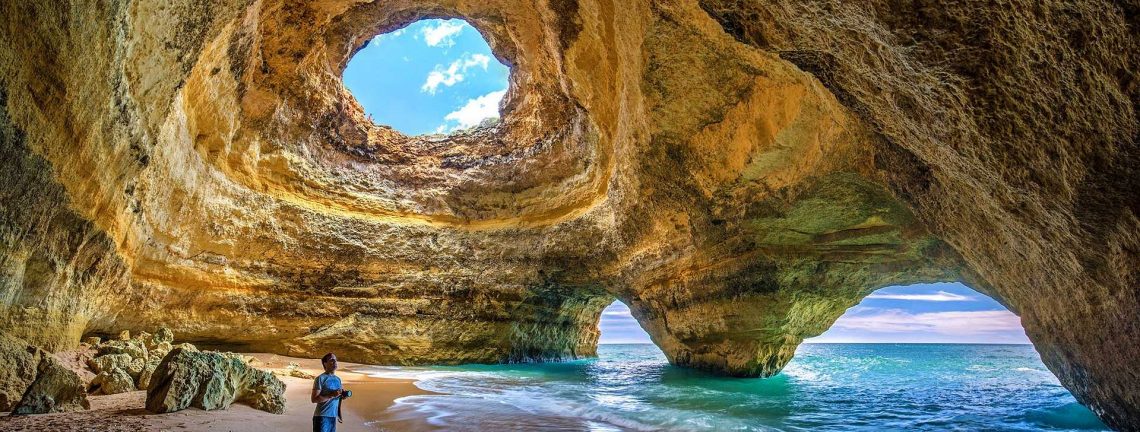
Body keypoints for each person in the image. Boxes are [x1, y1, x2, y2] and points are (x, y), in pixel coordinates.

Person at [312, 353, 345, 432]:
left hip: (333, 416)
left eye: (335, 360)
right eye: (331, 360)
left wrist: (342, 396)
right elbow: (314, 399)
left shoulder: (338, 379)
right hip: (321, 417)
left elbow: (338, 397)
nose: (335, 362)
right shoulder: (320, 378)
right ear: (325, 364)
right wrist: (331, 395)